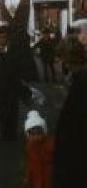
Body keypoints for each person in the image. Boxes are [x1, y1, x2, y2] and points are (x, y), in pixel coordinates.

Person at [52, 19, 87, 188]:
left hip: (75, 158)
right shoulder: (78, 80)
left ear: (66, 61)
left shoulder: (80, 83)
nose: (57, 65)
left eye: (59, 60)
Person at [0, 0, 37, 82]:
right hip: (7, 37)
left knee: (22, 67)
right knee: (7, 66)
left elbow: (31, 18)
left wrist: (31, 34)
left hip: (22, 36)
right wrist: (0, 37)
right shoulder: (2, 0)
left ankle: (22, 87)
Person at [24, 110, 54, 188]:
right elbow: (30, 163)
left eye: (38, 133)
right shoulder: (30, 147)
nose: (36, 137)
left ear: (43, 132)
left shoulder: (50, 145)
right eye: (32, 134)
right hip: (37, 177)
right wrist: (28, 177)